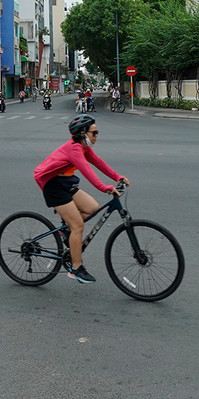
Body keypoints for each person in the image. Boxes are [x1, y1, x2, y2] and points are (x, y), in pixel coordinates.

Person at [32, 115, 130, 284]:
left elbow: (98, 163)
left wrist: (117, 177)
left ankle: (65, 230)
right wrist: (105, 187)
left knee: (92, 207)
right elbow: (87, 171)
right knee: (78, 226)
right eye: (95, 132)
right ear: (83, 133)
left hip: (65, 182)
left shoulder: (84, 147)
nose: (97, 136)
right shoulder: (75, 149)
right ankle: (76, 268)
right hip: (53, 186)